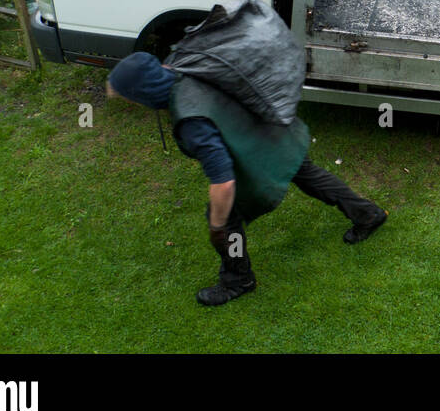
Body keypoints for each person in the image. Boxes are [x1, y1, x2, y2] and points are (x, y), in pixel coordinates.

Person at [106, 52, 387, 307]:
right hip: (272, 126)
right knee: (305, 173)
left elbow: (224, 180)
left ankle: (238, 279)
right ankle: (367, 214)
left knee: (227, 220)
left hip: (256, 149)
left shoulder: (192, 123)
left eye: (131, 97)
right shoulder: (187, 65)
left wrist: (216, 223)